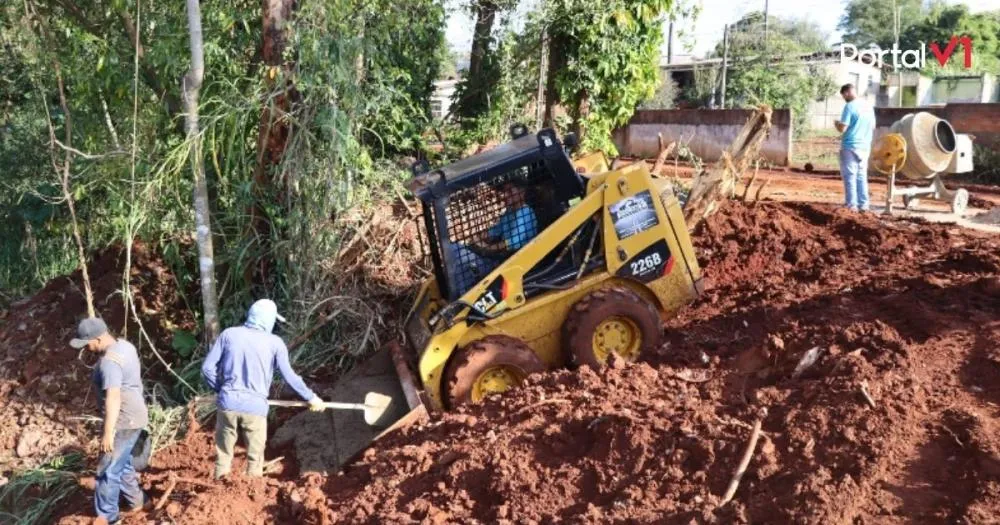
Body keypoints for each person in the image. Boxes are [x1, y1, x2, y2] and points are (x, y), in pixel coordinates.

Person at [201, 299, 325, 478]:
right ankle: (251, 492)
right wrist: (311, 397)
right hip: (255, 408)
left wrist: (222, 390)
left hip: (227, 404)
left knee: (223, 455)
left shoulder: (229, 334)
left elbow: (207, 368)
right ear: (269, 320)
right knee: (255, 457)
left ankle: (219, 486)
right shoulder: (275, 343)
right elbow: (289, 376)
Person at [69, 317, 150, 525]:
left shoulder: (109, 363)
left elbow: (113, 397)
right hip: (135, 414)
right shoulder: (125, 346)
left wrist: (108, 433)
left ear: (97, 338)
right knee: (121, 464)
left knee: (107, 469)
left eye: (87, 343)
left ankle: (108, 517)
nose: (86, 347)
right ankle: (138, 502)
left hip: (123, 420)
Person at [450, 182, 538, 293]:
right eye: (504, 191)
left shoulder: (525, 212)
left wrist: (488, 247)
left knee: (461, 259)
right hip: (498, 261)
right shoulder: (509, 212)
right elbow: (493, 232)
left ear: (522, 192)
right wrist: (473, 234)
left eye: (510, 191)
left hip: (513, 265)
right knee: (454, 248)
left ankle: (463, 299)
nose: (505, 195)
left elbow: (513, 243)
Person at [834, 83, 876, 212]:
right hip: (865, 146)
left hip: (850, 146)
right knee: (861, 176)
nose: (844, 98)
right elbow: (873, 126)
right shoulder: (868, 106)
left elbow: (843, 128)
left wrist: (837, 124)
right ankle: (864, 205)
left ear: (846, 93)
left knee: (850, 176)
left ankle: (851, 205)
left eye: (843, 96)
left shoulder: (849, 106)